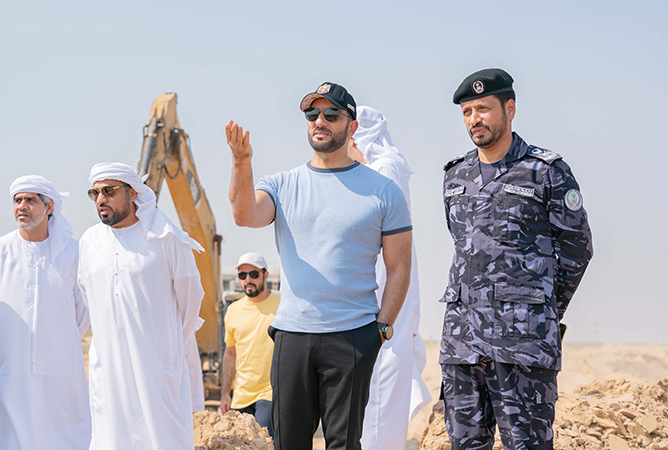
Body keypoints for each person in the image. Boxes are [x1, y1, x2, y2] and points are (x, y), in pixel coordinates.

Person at [226, 82, 413, 450]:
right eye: (312, 115)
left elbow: (399, 267)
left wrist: (382, 329)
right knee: (289, 443)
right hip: (293, 336)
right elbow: (244, 215)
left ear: (352, 126)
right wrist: (241, 162)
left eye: (331, 114)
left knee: (343, 445)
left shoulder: (383, 190)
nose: (320, 121)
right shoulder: (282, 184)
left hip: (354, 334)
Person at [440, 68, 593, 449]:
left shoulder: (546, 172)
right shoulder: (455, 175)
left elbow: (577, 248)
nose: (475, 119)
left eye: (484, 108)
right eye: (467, 111)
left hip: (523, 343)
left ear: (509, 109)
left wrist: (540, 308)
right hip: (462, 342)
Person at [78, 163, 204, 450]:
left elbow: (191, 301)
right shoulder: (89, 242)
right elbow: (90, 297)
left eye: (109, 191)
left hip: (157, 370)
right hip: (108, 370)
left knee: (162, 439)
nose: (101, 199)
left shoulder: (165, 237)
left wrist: (168, 347)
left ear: (133, 193)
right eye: (95, 193)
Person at [0, 175, 91, 450]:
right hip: (8, 374)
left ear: (49, 207)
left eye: (31, 200)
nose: (22, 205)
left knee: (62, 438)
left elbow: (82, 314)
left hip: (59, 376)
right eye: (17, 200)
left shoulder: (74, 253)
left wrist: (55, 342)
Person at [349, 106, 431, 450]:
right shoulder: (377, 169)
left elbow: (389, 254)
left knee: (378, 414)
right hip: (370, 313)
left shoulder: (385, 171)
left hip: (382, 314)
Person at [220, 252, 280, 438]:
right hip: (241, 394)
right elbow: (230, 354)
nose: (248, 280)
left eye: (253, 274)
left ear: (265, 275)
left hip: (269, 392)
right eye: (242, 275)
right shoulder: (233, 311)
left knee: (261, 440)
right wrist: (225, 394)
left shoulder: (281, 306)